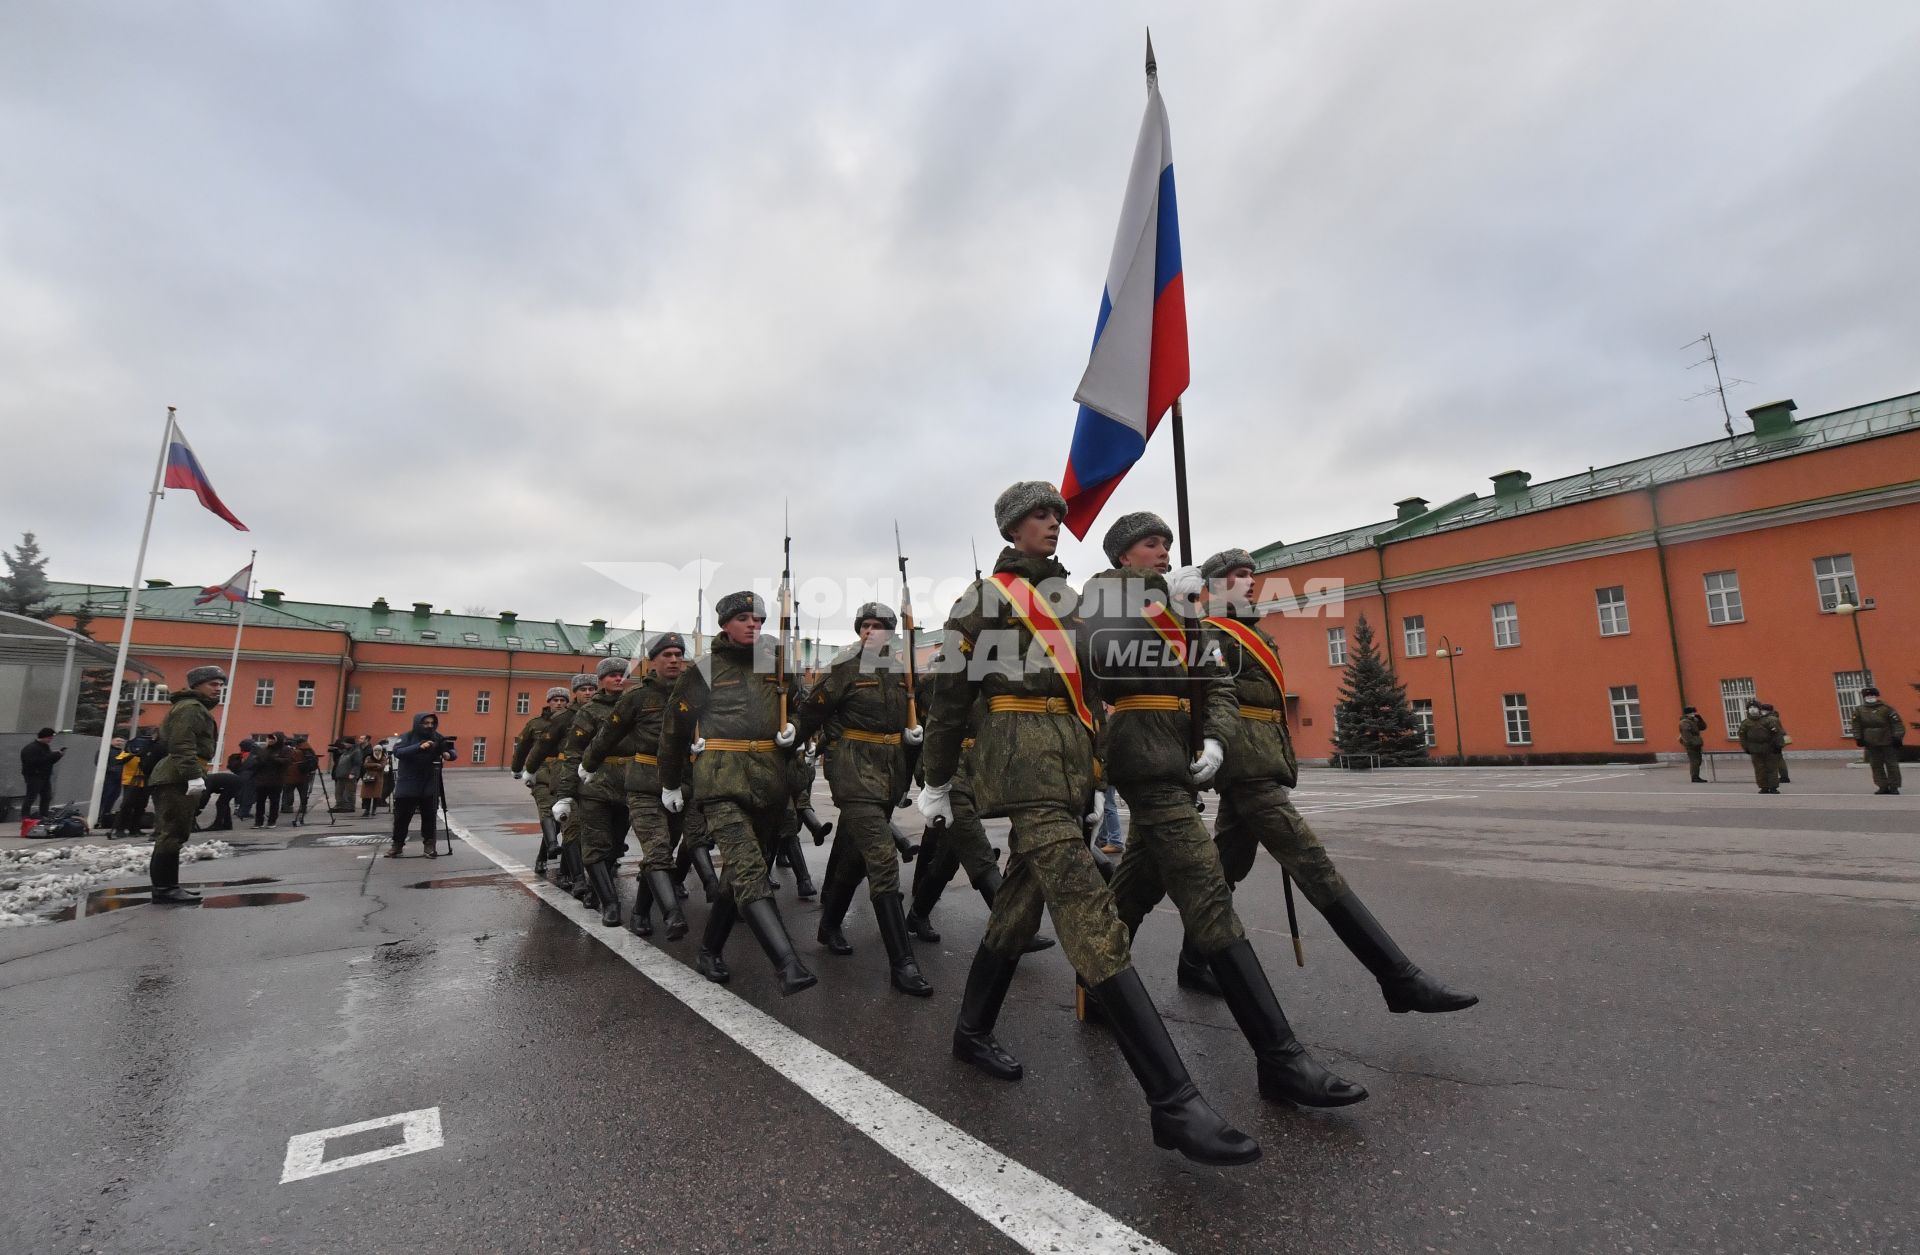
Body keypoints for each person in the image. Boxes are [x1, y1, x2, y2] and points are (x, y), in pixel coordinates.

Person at [917, 481, 1258, 1167]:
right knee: (1087, 910)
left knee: (1018, 904)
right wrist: (934, 778)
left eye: (1057, 515)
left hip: (1069, 767)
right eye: (1041, 515)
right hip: (1019, 767)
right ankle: (1173, 1099)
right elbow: (949, 695)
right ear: (1013, 526)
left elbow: (1110, 657)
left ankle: (971, 1028)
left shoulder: (1074, 602)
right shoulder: (985, 598)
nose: (1053, 523)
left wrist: (1169, 600)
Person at [1087, 516, 1366, 1110]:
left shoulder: (1182, 610)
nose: (1162, 551)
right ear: (1120, 555)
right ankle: (1279, 1056)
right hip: (1140, 757)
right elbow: (1104, 668)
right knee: (1207, 888)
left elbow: (1213, 684)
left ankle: (1094, 979)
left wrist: (1214, 739)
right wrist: (1166, 608)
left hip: (1180, 759)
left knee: (1136, 884)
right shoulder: (1104, 600)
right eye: (1149, 544)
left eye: (1166, 542)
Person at [1173, 547, 1475, 1019]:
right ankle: (1399, 978)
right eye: (1238, 574)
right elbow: (1207, 694)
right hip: (1248, 771)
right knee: (1312, 864)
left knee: (1222, 870)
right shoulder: (1211, 633)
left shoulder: (1249, 635)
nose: (1251, 581)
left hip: (1259, 765)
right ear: (1214, 585)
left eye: (1253, 573)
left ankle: (1192, 961)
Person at [659, 590, 817, 996]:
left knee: (741, 874)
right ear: (725, 624)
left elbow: (805, 708)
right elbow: (674, 731)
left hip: (770, 780)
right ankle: (787, 964)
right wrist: (671, 782)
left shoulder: (778, 665)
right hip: (721, 780)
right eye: (744, 618)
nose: (754, 625)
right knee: (747, 868)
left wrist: (796, 728)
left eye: (759, 619)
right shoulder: (705, 670)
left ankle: (709, 950)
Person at [795, 603, 931, 996]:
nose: (871, 632)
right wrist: (791, 742)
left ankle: (830, 923)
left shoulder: (904, 673)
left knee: (856, 855)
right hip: (853, 770)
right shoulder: (845, 669)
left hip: (890, 773)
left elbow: (918, 717)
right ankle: (902, 963)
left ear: (891, 632)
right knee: (882, 857)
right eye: (865, 626)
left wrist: (914, 738)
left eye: (880, 626)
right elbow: (811, 711)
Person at [584, 633, 691, 939]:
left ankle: (641, 911)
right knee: (657, 850)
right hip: (645, 783)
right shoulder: (637, 698)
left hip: (682, 785)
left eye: (678, 654)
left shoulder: (696, 695)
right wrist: (588, 764)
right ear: (652, 661)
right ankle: (673, 915)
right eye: (667, 654)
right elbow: (608, 734)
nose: (673, 659)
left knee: (664, 849)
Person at [554, 656, 632, 926]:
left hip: (629, 786)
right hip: (594, 787)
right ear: (601, 681)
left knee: (614, 847)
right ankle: (610, 903)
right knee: (596, 846)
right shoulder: (589, 712)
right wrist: (565, 794)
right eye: (612, 675)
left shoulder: (633, 705)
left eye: (622, 674)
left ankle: (597, 889)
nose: (618, 678)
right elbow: (573, 753)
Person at [145, 666, 226, 903]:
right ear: (197, 685)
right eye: (213, 684)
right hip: (177, 775)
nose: (218, 688)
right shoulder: (190, 708)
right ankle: (164, 889)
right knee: (171, 833)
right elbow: (181, 744)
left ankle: (168, 886)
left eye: (220, 684)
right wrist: (192, 774)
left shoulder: (193, 707)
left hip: (177, 773)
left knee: (175, 832)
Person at [512, 688, 571, 873]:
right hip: (542, 772)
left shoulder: (573, 721)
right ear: (549, 702)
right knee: (547, 809)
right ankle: (552, 844)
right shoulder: (535, 724)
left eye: (562, 700)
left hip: (564, 771)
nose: (559, 703)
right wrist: (517, 769)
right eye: (555, 700)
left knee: (562, 817)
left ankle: (542, 856)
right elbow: (522, 747)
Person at [386, 713, 454, 856]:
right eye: (426, 723)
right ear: (418, 723)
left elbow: (451, 750)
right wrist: (419, 747)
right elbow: (398, 752)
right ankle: (397, 845)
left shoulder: (437, 736)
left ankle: (429, 845)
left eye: (432, 723)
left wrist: (449, 754)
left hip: (430, 782)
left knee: (429, 817)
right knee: (401, 818)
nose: (430, 725)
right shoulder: (407, 737)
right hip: (408, 783)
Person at [1850, 686, 1906, 795]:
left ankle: (1894, 787)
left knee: (1892, 765)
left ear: (1876, 696)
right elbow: (1856, 725)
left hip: (1887, 740)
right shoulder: (1859, 710)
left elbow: (1897, 724)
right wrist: (1858, 738)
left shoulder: (1886, 709)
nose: (1870, 697)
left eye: (1872, 695)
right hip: (1870, 742)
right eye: (1868, 696)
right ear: (1864, 697)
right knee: (1876, 765)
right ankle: (1882, 786)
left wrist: (1897, 737)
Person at [112, 732, 154, 837]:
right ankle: (120, 829)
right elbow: (118, 761)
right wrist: (133, 753)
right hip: (130, 781)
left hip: (145, 781)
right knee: (127, 806)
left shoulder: (151, 750)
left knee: (140, 806)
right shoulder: (131, 748)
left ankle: (135, 829)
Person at [1737, 700, 1783, 794]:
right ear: (1747, 710)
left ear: (1759, 709)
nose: (1752, 709)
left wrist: (1778, 745)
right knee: (1759, 769)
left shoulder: (1767, 721)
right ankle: (1763, 787)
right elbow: (1742, 737)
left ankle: (1773, 787)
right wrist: (1746, 748)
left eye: (1755, 707)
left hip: (1769, 748)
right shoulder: (1745, 723)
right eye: (1750, 708)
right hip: (1754, 749)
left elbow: (1777, 733)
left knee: (1771, 768)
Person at [18, 727, 62, 820]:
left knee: (46, 796)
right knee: (31, 796)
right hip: (34, 776)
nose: (50, 740)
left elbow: (48, 760)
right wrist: (52, 755)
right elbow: (34, 761)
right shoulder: (31, 748)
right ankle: (25, 816)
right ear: (43, 737)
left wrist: (58, 756)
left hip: (44, 775)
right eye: (49, 738)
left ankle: (44, 814)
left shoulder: (45, 747)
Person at [250, 732, 288, 828]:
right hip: (262, 780)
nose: (270, 740)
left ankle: (272, 821)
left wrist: (274, 759)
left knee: (274, 801)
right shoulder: (264, 750)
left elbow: (286, 762)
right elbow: (257, 763)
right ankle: (258, 822)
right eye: (269, 738)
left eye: (272, 739)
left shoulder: (284, 750)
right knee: (260, 802)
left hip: (276, 780)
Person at [287, 735, 320, 825]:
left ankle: (288, 807)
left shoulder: (297, 751)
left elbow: (291, 759)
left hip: (295, 774)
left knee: (289, 790)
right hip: (306, 774)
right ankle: (303, 807)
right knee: (303, 792)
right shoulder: (309, 749)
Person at [328, 736, 363, 812]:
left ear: (351, 744)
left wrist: (353, 773)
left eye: (346, 743)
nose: (345, 744)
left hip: (349, 775)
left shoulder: (356, 752)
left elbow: (357, 764)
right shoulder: (346, 751)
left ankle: (350, 806)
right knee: (339, 792)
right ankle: (339, 805)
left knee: (349, 792)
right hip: (341, 775)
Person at [358, 742, 391, 817]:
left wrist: (372, 766)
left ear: (381, 751)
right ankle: (367, 810)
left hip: (378, 779)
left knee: (376, 795)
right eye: (376, 750)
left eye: (379, 750)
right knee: (367, 795)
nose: (377, 752)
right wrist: (376, 764)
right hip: (369, 778)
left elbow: (382, 766)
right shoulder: (369, 757)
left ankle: (374, 810)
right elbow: (365, 765)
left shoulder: (383, 758)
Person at [1678, 706, 1709, 783]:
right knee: (1694, 760)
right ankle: (1694, 777)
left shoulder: (1694, 720)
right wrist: (1691, 743)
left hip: (1697, 742)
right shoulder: (1684, 722)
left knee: (1698, 760)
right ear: (1688, 713)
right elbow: (1686, 734)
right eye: (1693, 712)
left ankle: (1696, 776)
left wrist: (1700, 720)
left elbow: (1703, 727)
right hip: (1691, 744)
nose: (1694, 714)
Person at [1762, 704, 1792, 783]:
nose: (1761, 712)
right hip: (1777, 741)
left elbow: (1773, 731)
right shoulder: (1774, 717)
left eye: (1762, 710)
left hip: (1773, 742)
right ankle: (1784, 777)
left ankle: (1783, 777)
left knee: (1776, 760)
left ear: (1766, 710)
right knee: (1779, 759)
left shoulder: (1771, 719)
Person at [99, 736, 126, 821]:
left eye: (122, 741)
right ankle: (100, 816)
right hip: (109, 778)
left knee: (113, 797)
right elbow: (99, 762)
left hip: (118, 779)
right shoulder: (106, 750)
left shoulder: (122, 753)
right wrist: (111, 770)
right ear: (112, 741)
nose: (120, 743)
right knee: (105, 797)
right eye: (118, 740)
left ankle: (106, 816)